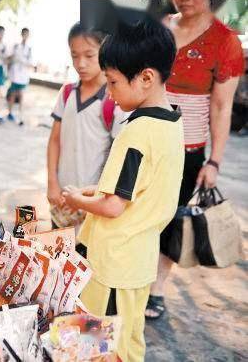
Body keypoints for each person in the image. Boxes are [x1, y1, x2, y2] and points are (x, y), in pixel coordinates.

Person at [62, 19, 183, 361]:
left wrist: (76, 200)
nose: (110, 93)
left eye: (113, 82)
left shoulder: (136, 133)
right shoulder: (172, 124)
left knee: (96, 342)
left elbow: (114, 206)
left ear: (146, 77)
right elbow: (138, 188)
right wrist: (93, 190)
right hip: (139, 258)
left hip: (112, 261)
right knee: (129, 339)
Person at [146, 0, 244, 319]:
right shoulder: (158, 28)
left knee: (172, 221)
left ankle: (155, 288)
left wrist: (214, 161)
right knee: (134, 214)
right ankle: (129, 279)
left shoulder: (225, 41)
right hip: (143, 140)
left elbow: (221, 106)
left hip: (186, 151)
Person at [47, 23, 122, 242]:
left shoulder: (113, 99)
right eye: (74, 55)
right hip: (61, 197)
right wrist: (52, 182)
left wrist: (97, 196)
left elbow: (117, 155)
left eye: (90, 55)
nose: (81, 63)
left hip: (92, 201)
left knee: (85, 259)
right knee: (58, 253)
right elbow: (54, 141)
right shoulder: (67, 93)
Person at [6, 28, 34, 125]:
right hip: (15, 74)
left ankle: (20, 115)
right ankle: (10, 112)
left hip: (23, 76)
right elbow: (9, 58)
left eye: (27, 34)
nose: (25, 36)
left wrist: (23, 61)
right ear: (21, 34)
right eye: (24, 34)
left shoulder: (29, 49)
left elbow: (31, 63)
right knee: (13, 94)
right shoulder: (15, 46)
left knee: (21, 95)